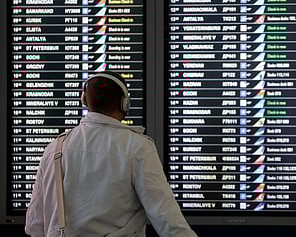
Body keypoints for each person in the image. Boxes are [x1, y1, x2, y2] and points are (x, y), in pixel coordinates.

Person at [25, 71, 197, 237]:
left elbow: (34, 224)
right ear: (125, 104)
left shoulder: (55, 148)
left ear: (84, 100)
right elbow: (166, 217)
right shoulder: (137, 147)